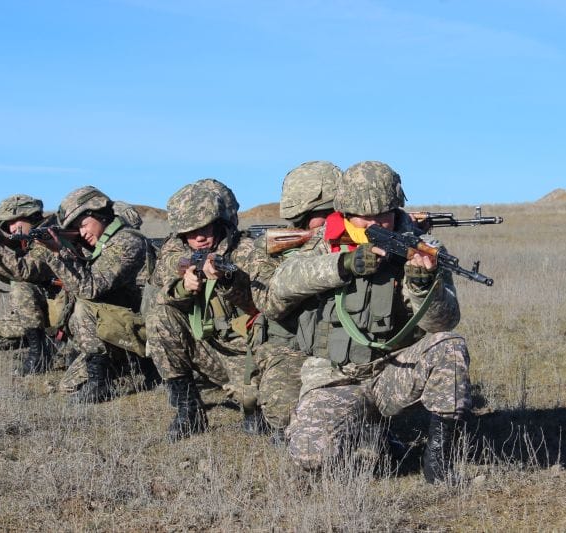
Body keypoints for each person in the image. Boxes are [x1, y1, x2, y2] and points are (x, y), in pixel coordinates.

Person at [261, 161, 471, 483]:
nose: (376, 223)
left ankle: (438, 460)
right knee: (310, 455)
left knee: (449, 347)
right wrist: (344, 264)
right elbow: (279, 291)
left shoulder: (424, 249)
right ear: (344, 212)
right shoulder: (323, 242)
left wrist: (421, 284)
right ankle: (372, 437)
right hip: (336, 377)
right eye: (364, 216)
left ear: (396, 208)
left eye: (384, 215)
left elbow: (443, 322)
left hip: (393, 370)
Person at [145, 179, 258, 442]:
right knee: (160, 315)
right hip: (207, 348)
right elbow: (166, 268)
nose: (198, 237)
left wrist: (227, 280)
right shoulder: (179, 250)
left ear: (218, 222)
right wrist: (185, 285)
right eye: (189, 231)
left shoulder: (245, 250)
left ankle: (254, 406)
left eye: (204, 228)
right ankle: (189, 410)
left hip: (246, 352)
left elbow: (261, 304)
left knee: (256, 402)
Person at [246, 161, 342, 440]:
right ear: (299, 218)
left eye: (337, 214)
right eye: (322, 216)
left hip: (342, 349)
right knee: (284, 410)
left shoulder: (354, 241)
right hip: (292, 346)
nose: (330, 223)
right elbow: (270, 305)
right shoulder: (270, 252)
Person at [37, 186, 154, 404]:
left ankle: (105, 381)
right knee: (69, 386)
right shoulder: (100, 245)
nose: (82, 232)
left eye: (82, 225)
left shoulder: (127, 241)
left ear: (98, 214)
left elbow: (88, 288)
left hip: (146, 329)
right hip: (120, 326)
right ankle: (126, 365)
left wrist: (57, 253)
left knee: (85, 306)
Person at [0, 194, 59, 375]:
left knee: (21, 286)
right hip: (41, 311)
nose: (11, 229)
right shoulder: (26, 241)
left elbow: (25, 272)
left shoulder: (49, 234)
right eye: (6, 226)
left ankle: (39, 354)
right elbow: (7, 277)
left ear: (31, 215)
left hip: (65, 307)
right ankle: (46, 344)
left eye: (13, 221)